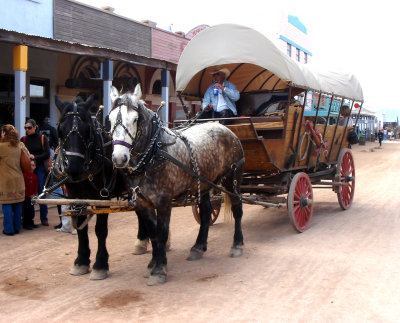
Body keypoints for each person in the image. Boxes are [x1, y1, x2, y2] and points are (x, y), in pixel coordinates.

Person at [21, 119, 50, 226]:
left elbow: (47, 153)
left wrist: (35, 157)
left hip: (40, 168)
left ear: (35, 127)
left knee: (41, 192)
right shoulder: (23, 139)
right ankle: (28, 218)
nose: (27, 130)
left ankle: (44, 218)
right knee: (28, 194)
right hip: (27, 169)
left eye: (29, 128)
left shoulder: (42, 138)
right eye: (25, 128)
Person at [0, 125, 25, 236]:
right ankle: (17, 227)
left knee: (7, 205)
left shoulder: (1, 146)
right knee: (18, 204)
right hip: (19, 179)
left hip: (6, 180)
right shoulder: (19, 146)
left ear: (4, 133)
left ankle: (9, 229)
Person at [23, 159, 39, 230]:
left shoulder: (35, 176)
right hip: (26, 196)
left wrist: (34, 194)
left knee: (31, 210)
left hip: (32, 196)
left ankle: (31, 222)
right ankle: (26, 223)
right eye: (29, 165)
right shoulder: (24, 175)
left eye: (32, 165)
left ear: (35, 167)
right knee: (26, 210)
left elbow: (36, 186)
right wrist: (26, 194)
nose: (31, 167)